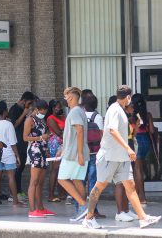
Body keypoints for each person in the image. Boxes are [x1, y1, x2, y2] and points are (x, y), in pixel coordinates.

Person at [82, 85, 161, 229]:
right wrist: (128, 148)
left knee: (130, 186)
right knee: (99, 186)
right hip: (109, 156)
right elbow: (112, 130)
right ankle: (88, 218)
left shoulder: (121, 110)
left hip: (121, 157)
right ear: (128, 97)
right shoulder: (114, 109)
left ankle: (143, 218)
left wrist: (126, 151)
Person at [57, 87, 89, 222]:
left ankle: (82, 205)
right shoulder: (79, 111)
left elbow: (80, 131)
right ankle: (83, 211)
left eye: (65, 95)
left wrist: (79, 154)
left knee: (62, 179)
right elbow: (74, 135)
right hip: (76, 153)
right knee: (76, 180)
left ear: (70, 96)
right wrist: (63, 148)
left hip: (74, 154)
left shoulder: (75, 111)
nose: (64, 98)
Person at [24, 99, 54, 218]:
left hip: (42, 150)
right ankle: (32, 210)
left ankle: (40, 208)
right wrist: (41, 137)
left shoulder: (40, 120)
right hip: (35, 151)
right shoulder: (29, 120)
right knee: (34, 181)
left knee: (40, 182)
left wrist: (46, 149)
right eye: (42, 111)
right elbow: (25, 138)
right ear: (36, 110)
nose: (44, 113)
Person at [0, 101, 22, 206]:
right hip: (8, 153)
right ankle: (15, 201)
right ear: (4, 111)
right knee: (11, 177)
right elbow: (13, 143)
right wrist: (17, 156)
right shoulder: (8, 124)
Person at [9, 91, 35, 200]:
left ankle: (19, 191)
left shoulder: (25, 110)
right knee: (18, 168)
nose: (29, 106)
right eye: (29, 103)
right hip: (17, 142)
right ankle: (15, 193)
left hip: (24, 143)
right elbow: (13, 125)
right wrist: (24, 114)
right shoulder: (14, 109)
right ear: (23, 101)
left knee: (22, 166)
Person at [83, 95, 106, 219]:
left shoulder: (79, 115)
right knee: (93, 182)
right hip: (94, 153)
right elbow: (102, 135)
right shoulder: (97, 117)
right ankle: (93, 210)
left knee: (80, 181)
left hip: (81, 153)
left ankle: (80, 209)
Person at [132, 94, 154, 205]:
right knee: (140, 169)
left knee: (137, 170)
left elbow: (133, 132)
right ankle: (140, 195)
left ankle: (142, 197)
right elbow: (152, 131)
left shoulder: (132, 116)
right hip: (146, 140)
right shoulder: (147, 115)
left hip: (137, 142)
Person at [46, 100, 65, 202]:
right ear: (52, 108)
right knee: (55, 169)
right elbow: (58, 132)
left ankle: (62, 193)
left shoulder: (62, 117)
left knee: (62, 169)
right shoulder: (50, 118)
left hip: (64, 144)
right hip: (55, 144)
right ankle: (51, 194)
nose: (59, 108)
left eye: (59, 106)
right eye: (57, 107)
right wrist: (64, 131)